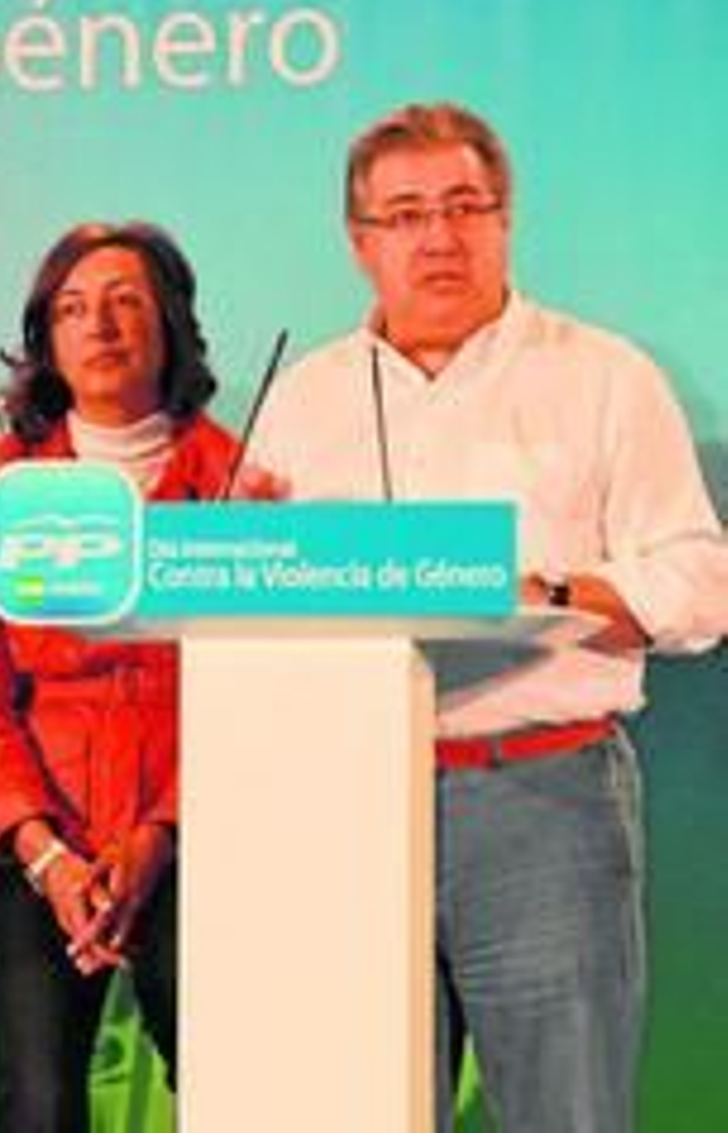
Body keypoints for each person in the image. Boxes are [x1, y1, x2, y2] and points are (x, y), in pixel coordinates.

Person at [248, 102, 728, 1132]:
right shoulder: (303, 398)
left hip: (541, 798)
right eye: (407, 214)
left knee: (566, 1113)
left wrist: (545, 598)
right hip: (341, 805)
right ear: (360, 242)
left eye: (465, 206)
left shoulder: (602, 375)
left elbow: (699, 583)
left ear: (505, 221)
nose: (439, 236)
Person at [0, 222, 238, 1132]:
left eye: (125, 301)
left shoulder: (237, 479)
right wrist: (46, 854)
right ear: (46, 340)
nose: (98, 325)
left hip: (197, 834)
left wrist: (163, 834)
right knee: (38, 1099)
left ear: (171, 325)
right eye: (72, 308)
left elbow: (249, 696)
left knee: (235, 1075)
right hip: (36, 838)